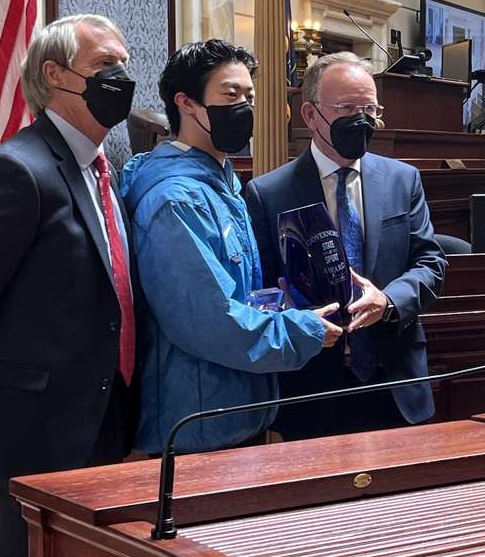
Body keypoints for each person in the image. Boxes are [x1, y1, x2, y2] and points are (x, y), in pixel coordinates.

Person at [0, 14, 141, 557]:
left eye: (124, 64)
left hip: (108, 415)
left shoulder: (104, 169)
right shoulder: (16, 171)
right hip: (33, 429)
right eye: (104, 66)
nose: (121, 77)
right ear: (56, 75)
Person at [119, 40, 341, 454]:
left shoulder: (221, 182)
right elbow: (208, 321)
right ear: (186, 103)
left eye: (249, 96)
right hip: (197, 420)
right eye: (230, 95)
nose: (244, 106)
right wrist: (302, 331)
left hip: (234, 408)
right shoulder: (177, 199)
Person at [244, 52, 447, 439]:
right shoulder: (268, 193)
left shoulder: (402, 180)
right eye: (348, 107)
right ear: (310, 115)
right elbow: (261, 287)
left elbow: (430, 262)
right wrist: (300, 317)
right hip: (312, 389)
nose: (362, 119)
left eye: (370, 108)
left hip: (394, 382)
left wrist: (388, 300)